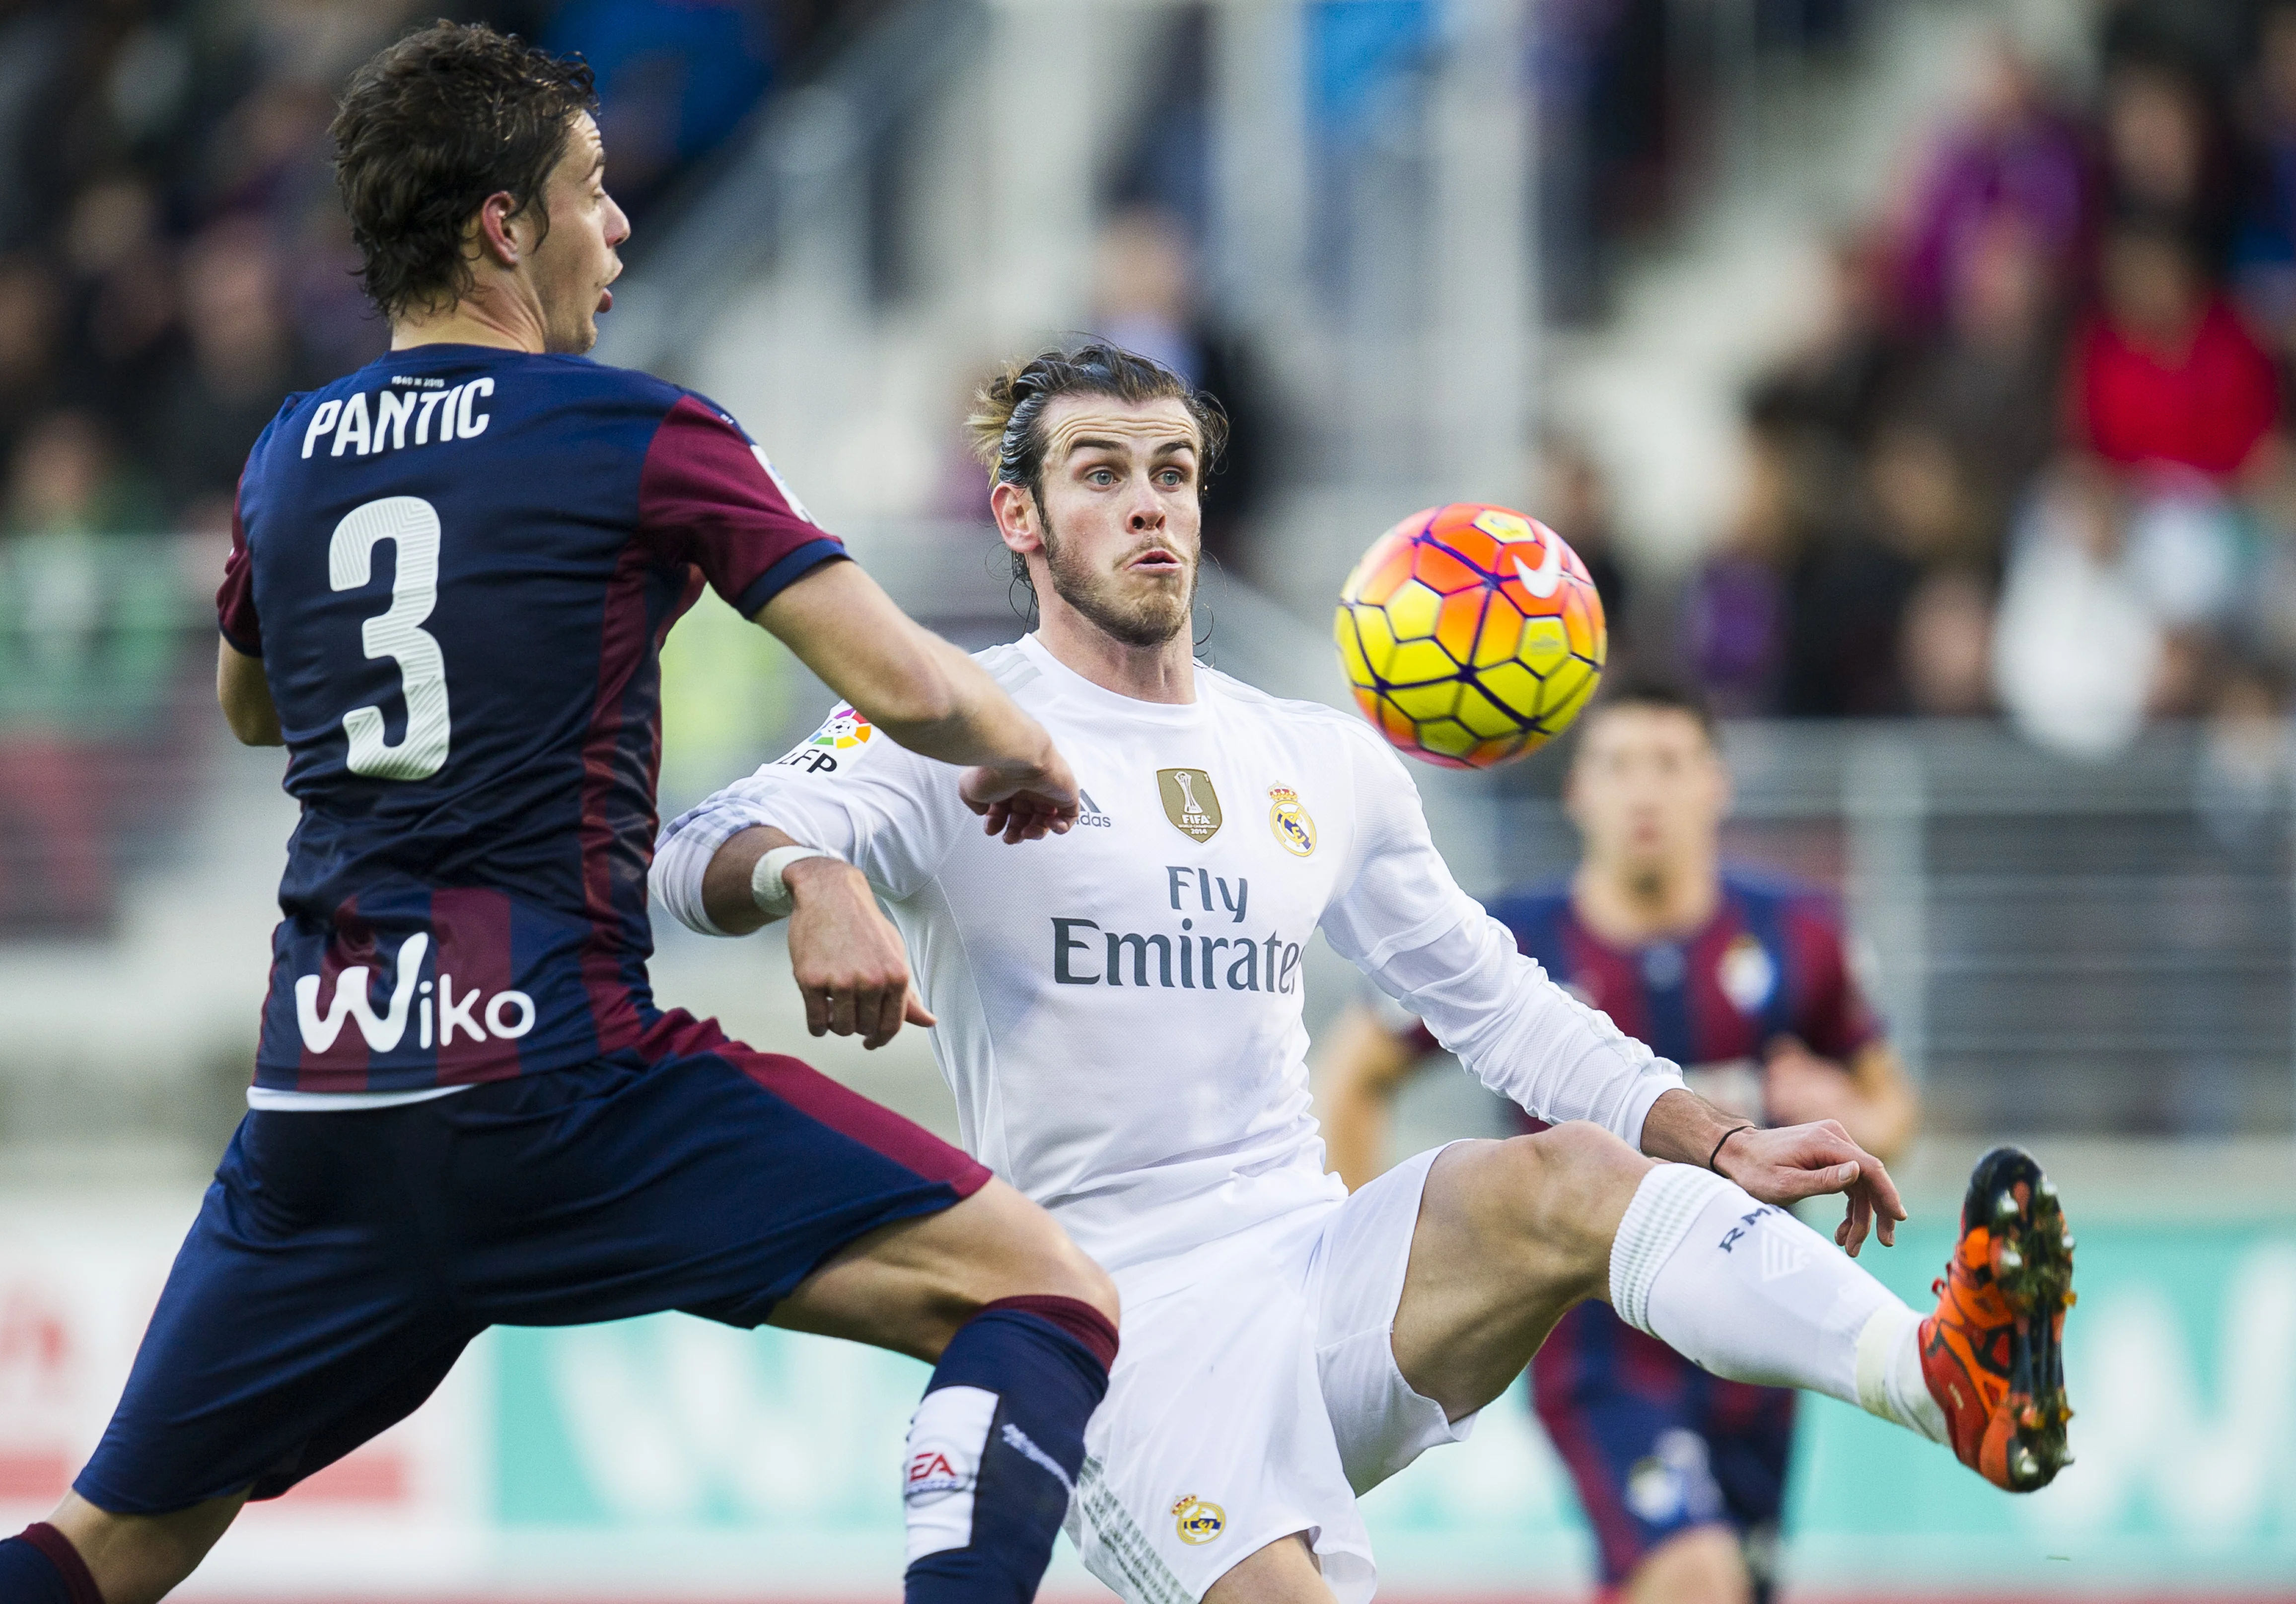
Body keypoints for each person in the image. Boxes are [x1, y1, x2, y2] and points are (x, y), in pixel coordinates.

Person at [0, 26, 1122, 1604]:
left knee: (112, 1543)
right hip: (559, 1078)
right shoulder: (637, 432)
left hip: (327, 1109)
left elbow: (249, 704)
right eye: (593, 191)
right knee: (1042, 1289)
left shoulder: (286, 454)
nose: (616, 227)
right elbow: (909, 686)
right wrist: (1031, 744)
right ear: (504, 224)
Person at [649, 341, 2075, 1604]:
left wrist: (1720, 1136)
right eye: (1101, 473)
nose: (1149, 504)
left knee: (1568, 1173)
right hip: (1110, 1319)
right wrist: (811, 876)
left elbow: (1495, 998)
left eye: (1173, 472)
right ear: (1018, 516)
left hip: (1318, 1270)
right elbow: (692, 846)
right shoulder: (949, 721)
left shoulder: (1313, 756)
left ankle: (1939, 1372)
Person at [1314, 681, 1921, 1604]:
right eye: (1618, 766)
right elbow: (1356, 1073)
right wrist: (1370, 1254)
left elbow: (1891, 1112)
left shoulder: (1798, 936)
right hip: (1596, 1339)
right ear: (1578, 793)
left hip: (1758, 1322)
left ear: (1715, 785)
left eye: (1670, 765)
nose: (1646, 793)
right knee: (1695, 1575)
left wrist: (1848, 1113)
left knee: (1712, 1583)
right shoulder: (1514, 947)